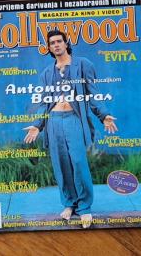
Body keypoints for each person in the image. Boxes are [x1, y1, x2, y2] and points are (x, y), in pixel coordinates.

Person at [22, 29, 117, 228]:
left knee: (78, 162)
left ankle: (84, 207)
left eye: (59, 41)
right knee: (61, 164)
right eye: (52, 43)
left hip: (73, 118)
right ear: (49, 48)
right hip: (54, 121)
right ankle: (69, 203)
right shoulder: (46, 74)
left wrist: (104, 115)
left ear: (66, 43)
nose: (56, 45)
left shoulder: (83, 65)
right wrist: (38, 125)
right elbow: (43, 103)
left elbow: (93, 93)